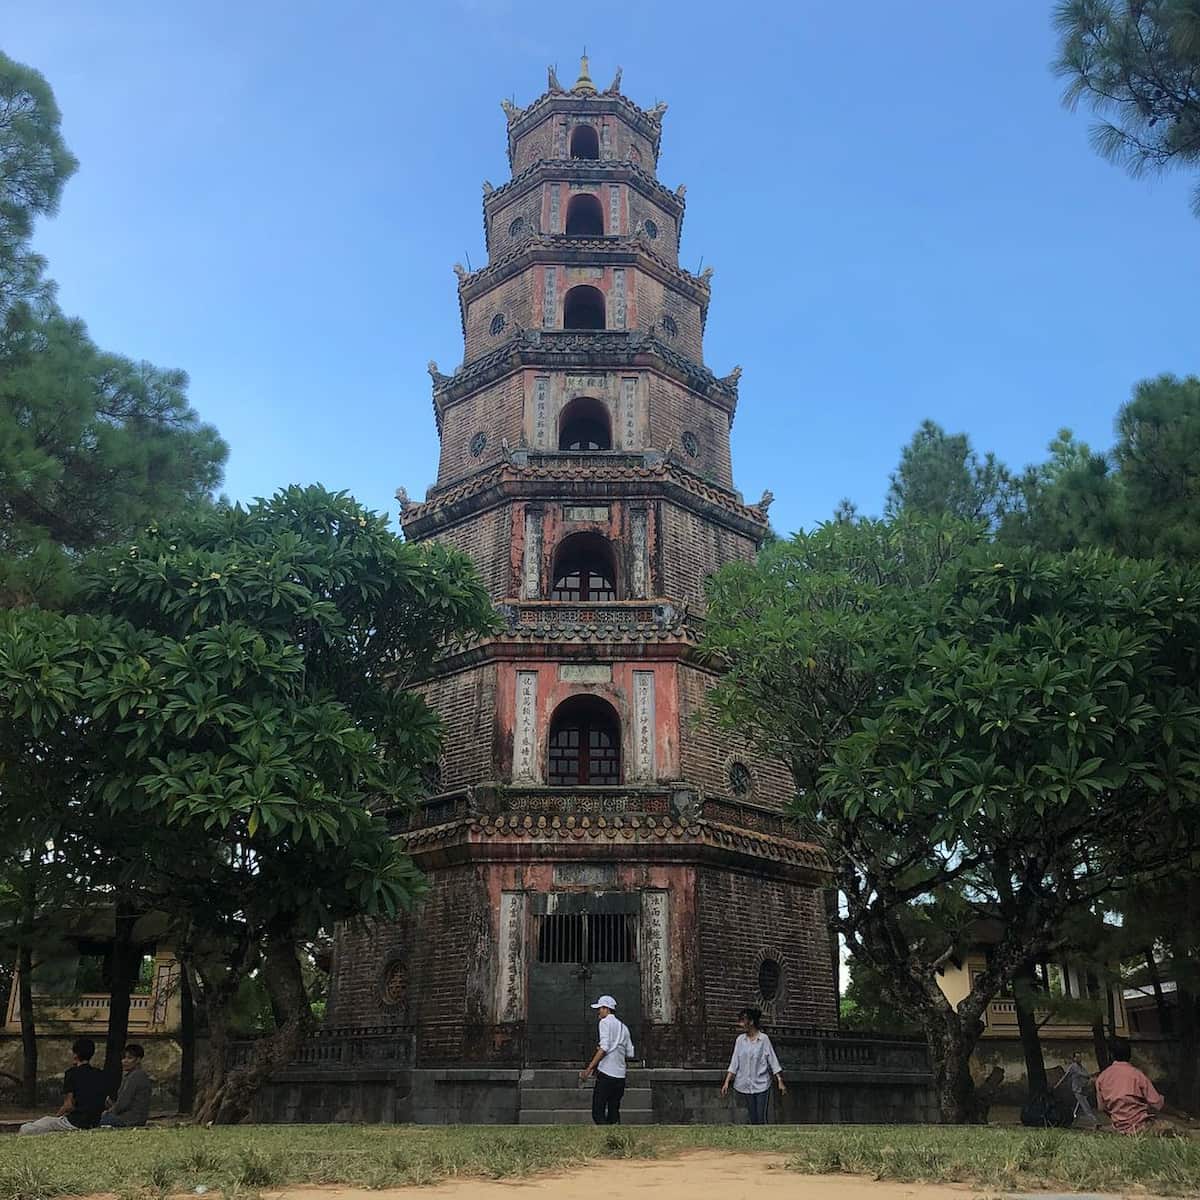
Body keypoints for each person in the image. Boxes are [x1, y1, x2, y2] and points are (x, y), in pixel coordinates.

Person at [19, 1037, 109, 1135]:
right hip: (94, 1122)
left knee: (26, 1128)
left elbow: (68, 1105)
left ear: (75, 1055)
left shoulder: (71, 1073)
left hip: (75, 1122)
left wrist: (57, 1116)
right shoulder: (101, 1074)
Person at [1095, 1038, 1179, 1135]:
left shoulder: (1102, 1078)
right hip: (1141, 1126)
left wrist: (1121, 1119)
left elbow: (1102, 1108)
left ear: (1111, 1055)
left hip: (1119, 1127)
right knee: (1178, 1130)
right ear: (1130, 1055)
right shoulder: (1137, 1075)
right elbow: (1157, 1103)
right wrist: (1178, 1114)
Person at [721, 1007, 786, 1125]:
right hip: (746, 1083)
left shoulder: (764, 1039)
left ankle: (763, 1134)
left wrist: (780, 1081)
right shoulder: (740, 1040)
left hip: (762, 1083)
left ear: (751, 1022)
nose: (741, 1024)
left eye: (743, 1021)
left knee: (761, 1116)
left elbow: (772, 1060)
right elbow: (735, 1061)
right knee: (753, 1116)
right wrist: (727, 1082)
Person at [579, 993, 634, 1125]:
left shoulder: (604, 1023)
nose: (598, 1012)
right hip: (620, 1075)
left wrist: (589, 1068)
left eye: (600, 1008)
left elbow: (604, 1047)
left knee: (598, 1110)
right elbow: (630, 1053)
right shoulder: (624, 1027)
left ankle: (604, 1132)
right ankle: (613, 1133)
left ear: (607, 1009)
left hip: (606, 1073)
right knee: (613, 1110)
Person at [100, 1043, 152, 1129]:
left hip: (129, 1119)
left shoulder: (136, 1076)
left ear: (138, 1060)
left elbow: (123, 1103)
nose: (125, 1061)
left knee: (94, 1120)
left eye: (129, 1058)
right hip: (130, 1117)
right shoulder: (131, 1075)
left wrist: (109, 1112)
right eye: (123, 1058)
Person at [1059, 1052, 1098, 1129]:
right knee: (1086, 1106)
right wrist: (1057, 1085)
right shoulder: (1073, 1067)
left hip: (1084, 1090)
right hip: (1077, 1090)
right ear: (1074, 1058)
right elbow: (1065, 1077)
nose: (1079, 1059)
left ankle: (1073, 1121)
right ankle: (1095, 1122)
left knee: (1078, 1107)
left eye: (1080, 1057)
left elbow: (1086, 1076)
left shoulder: (1082, 1067)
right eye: (1077, 1057)